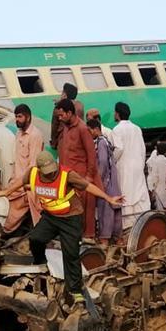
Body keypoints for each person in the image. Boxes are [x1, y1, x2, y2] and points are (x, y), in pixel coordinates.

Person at [0, 151, 122, 307]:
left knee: (71, 254)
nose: (51, 174)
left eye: (52, 170)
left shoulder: (67, 175)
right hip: (50, 217)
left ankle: (75, 291)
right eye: (47, 172)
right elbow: (21, 182)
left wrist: (109, 198)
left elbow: (88, 186)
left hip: (71, 218)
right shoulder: (32, 173)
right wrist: (6, 192)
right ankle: (41, 263)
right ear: (39, 169)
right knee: (35, 238)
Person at [55, 98, 100, 240]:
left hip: (82, 177)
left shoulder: (82, 128)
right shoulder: (66, 127)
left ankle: (87, 239)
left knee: (84, 210)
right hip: (68, 176)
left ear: (69, 113)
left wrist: (89, 177)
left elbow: (91, 154)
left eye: (61, 115)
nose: (59, 118)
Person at [2, 103, 45, 232]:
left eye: (20, 117)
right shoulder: (18, 133)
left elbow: (33, 166)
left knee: (8, 220)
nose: (17, 120)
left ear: (28, 117)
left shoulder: (35, 136)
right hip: (15, 182)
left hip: (24, 185)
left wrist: (20, 185)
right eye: (16, 117)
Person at [112, 102, 151, 229]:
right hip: (137, 166)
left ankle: (128, 227)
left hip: (124, 167)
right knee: (139, 193)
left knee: (126, 195)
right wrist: (140, 163)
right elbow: (142, 149)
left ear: (117, 114)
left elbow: (118, 149)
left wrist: (112, 161)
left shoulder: (117, 129)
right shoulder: (137, 128)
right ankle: (142, 224)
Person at [87, 118, 122, 246]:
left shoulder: (101, 143)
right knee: (116, 213)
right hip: (113, 183)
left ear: (96, 129)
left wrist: (99, 181)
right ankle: (118, 240)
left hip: (106, 184)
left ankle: (104, 241)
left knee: (105, 212)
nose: (89, 134)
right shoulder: (106, 141)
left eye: (89, 131)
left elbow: (102, 162)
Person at [50, 82, 85, 149]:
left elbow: (54, 126)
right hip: (78, 139)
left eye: (62, 92)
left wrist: (54, 143)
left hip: (63, 139)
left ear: (65, 95)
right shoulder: (80, 106)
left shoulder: (59, 108)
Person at [146, 142, 166, 210]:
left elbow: (154, 177)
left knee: (161, 212)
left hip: (159, 191)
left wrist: (152, 189)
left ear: (157, 151)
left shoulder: (155, 161)